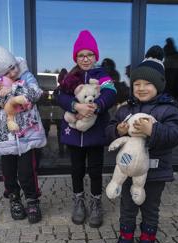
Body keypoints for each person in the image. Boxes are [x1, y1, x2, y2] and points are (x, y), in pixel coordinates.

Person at [105, 45, 178, 243]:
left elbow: (176, 134)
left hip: (156, 172)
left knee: (150, 208)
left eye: (148, 83)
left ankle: (148, 240)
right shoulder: (125, 109)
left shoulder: (169, 109)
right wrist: (117, 130)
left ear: (159, 85)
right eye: (137, 83)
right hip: (129, 171)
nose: (141, 88)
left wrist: (153, 130)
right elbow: (108, 131)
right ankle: (126, 237)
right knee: (128, 207)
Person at [0, 37, 46, 224]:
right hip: (4, 135)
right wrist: (3, 98)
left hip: (27, 133)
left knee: (27, 171)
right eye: (9, 70)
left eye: (14, 66)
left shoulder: (25, 74)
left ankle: (32, 199)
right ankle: (14, 198)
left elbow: (36, 93)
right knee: (9, 171)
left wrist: (13, 90)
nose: (14, 71)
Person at [56, 30, 117, 228]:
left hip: (95, 132)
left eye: (89, 55)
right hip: (74, 133)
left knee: (95, 170)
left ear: (95, 56)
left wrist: (96, 106)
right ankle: (79, 201)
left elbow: (110, 93)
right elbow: (60, 96)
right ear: (76, 57)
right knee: (76, 169)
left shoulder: (102, 74)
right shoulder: (71, 76)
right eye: (81, 55)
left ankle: (96, 202)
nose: (85, 59)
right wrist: (76, 106)